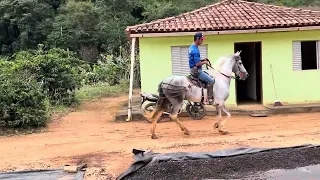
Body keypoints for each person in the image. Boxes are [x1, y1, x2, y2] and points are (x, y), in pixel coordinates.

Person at [188, 32, 215, 105]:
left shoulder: (192, 47)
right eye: (202, 39)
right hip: (197, 71)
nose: (203, 41)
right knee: (211, 80)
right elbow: (197, 64)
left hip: (193, 69)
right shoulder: (195, 50)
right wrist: (205, 62)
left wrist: (202, 60)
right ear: (197, 39)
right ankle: (209, 99)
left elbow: (194, 60)